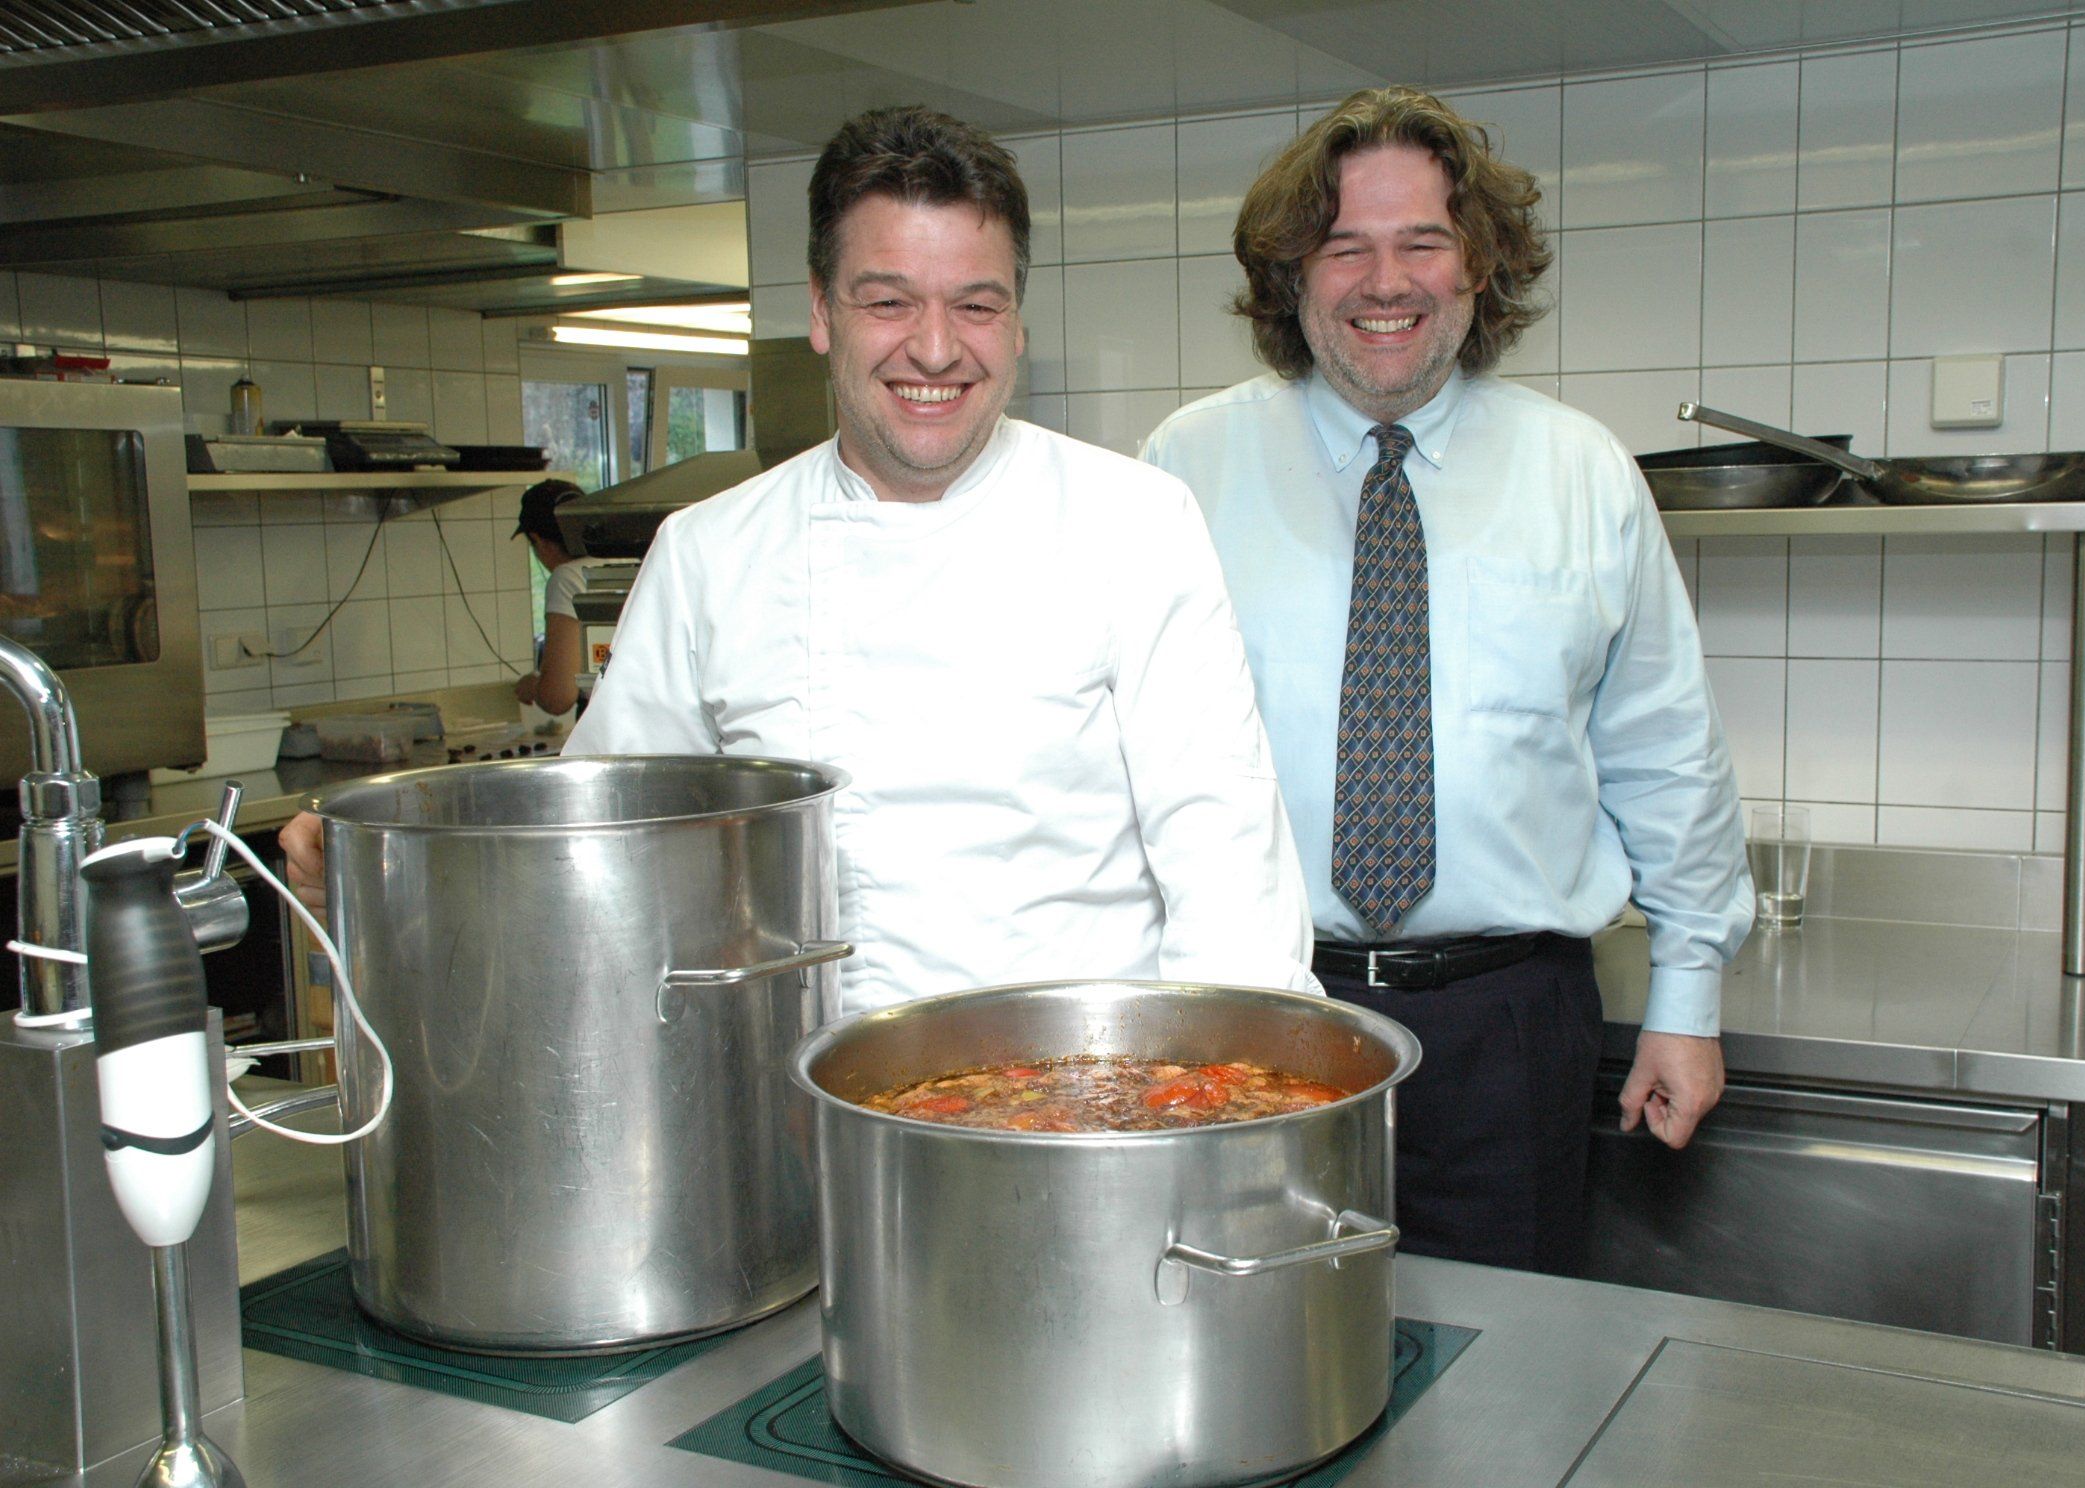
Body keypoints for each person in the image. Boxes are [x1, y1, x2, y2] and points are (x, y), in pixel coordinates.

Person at [281, 105, 1316, 1016]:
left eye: (976, 303)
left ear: (1016, 323)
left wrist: (1218, 1117)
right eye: (888, 301)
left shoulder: (1132, 523)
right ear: (821, 313)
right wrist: (385, 881)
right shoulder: (710, 554)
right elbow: (598, 858)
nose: (935, 348)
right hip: (793, 1114)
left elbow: (1227, 867)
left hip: (1076, 1107)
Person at [1141, 86, 1751, 1275]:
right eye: (1343, 247)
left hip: (1506, 1027)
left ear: (1479, 265)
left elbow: (1664, 749)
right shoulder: (1183, 470)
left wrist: (1687, 1001)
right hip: (1260, 1010)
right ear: (1289, 274)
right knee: (1251, 1340)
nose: (1385, 282)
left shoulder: (1580, 472)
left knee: (1504, 1359)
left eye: (1422, 242)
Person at [509, 478, 590, 718]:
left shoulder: (569, 578)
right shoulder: (630, 562)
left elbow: (558, 697)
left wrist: (533, 686)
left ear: (537, 540)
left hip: (613, 726)